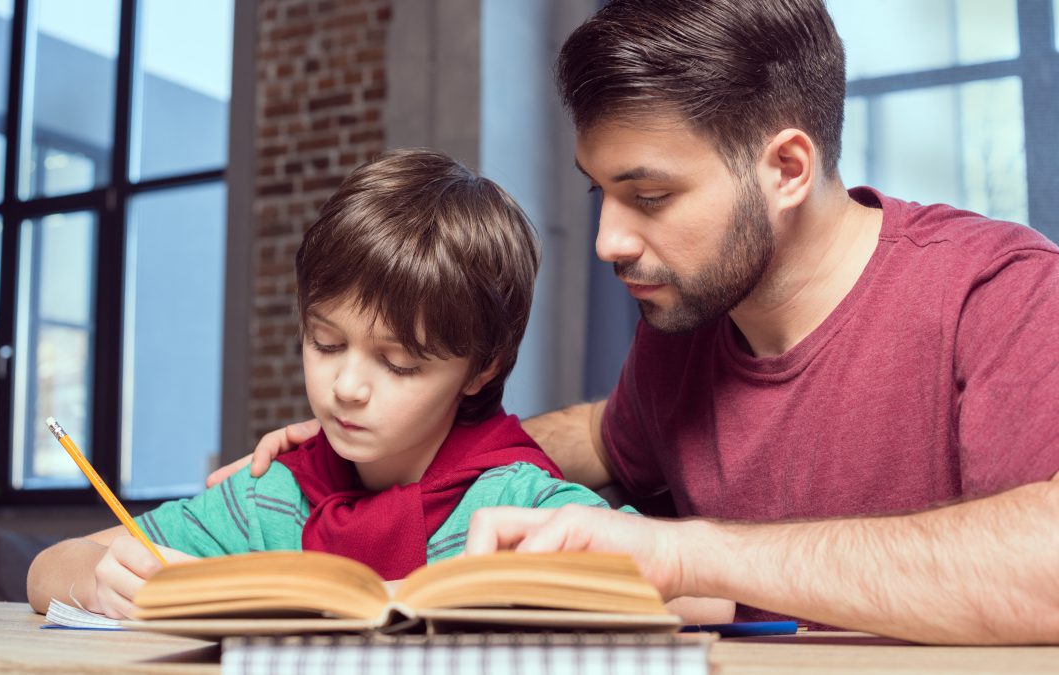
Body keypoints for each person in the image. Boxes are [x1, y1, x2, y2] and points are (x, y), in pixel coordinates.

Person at [209, 0, 1059, 644]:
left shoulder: (998, 292)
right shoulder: (680, 336)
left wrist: (688, 554)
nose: (609, 239)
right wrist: (380, 436)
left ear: (788, 167)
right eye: (599, 192)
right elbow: (599, 435)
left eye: (650, 196)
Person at [25, 149, 644, 620]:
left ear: (482, 367)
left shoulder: (516, 504)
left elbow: (688, 589)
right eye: (325, 344)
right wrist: (110, 581)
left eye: (398, 363)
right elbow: (47, 568)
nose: (347, 387)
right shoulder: (272, 497)